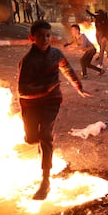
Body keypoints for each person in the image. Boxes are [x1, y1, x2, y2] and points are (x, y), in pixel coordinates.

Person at [17, 20, 92, 200]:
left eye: (48, 35)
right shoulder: (27, 61)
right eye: (41, 36)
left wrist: (79, 87)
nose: (45, 39)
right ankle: (42, 144)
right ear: (32, 38)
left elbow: (68, 70)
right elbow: (22, 90)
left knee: (45, 135)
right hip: (30, 103)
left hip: (52, 101)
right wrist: (45, 89)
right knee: (31, 139)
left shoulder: (56, 54)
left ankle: (45, 181)